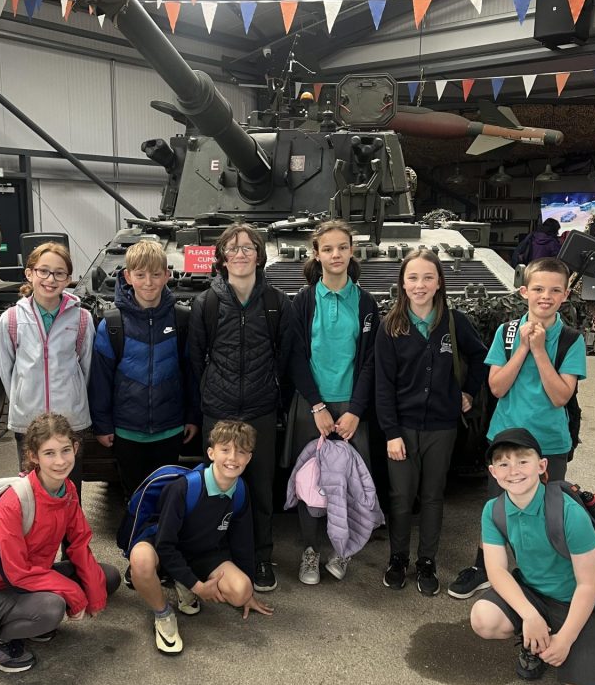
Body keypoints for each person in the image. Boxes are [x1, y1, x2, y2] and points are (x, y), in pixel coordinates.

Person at [471, 428, 595, 685]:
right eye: (503, 463)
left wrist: (567, 639)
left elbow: (588, 585)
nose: (513, 470)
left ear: (542, 465)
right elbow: (496, 570)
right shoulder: (493, 510)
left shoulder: (569, 512)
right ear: (493, 473)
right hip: (533, 593)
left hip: (576, 601)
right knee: (483, 618)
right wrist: (530, 615)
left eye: (523, 461)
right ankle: (537, 641)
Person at [448, 257, 586, 600]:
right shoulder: (507, 333)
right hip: (506, 437)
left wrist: (539, 351)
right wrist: (523, 347)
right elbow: (496, 387)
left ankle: (541, 576)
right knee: (498, 506)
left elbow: (560, 396)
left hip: (548, 442)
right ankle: (484, 566)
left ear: (565, 295)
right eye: (538, 289)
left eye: (554, 290)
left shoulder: (570, 340)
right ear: (524, 292)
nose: (545, 297)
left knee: (548, 510)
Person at [0, 412, 121, 674]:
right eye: (49, 453)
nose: (60, 461)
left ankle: (31, 620)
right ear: (33, 456)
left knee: (108, 577)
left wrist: (94, 594)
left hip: (32, 579)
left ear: (75, 448)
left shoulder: (67, 490)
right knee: (52, 608)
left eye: (65, 450)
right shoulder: (14, 502)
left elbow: (79, 543)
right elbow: (16, 573)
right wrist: (74, 594)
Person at [375, 248, 487, 596]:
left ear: (439, 282)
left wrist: (468, 392)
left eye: (428, 277)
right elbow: (383, 385)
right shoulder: (391, 326)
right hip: (403, 427)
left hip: (442, 425)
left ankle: (427, 561)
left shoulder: (454, 322)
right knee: (400, 496)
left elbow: (481, 356)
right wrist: (391, 432)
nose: (420, 285)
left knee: (433, 495)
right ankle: (398, 558)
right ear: (402, 283)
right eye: (412, 278)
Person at [189, 223, 291, 594]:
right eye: (232, 248)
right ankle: (214, 556)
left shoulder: (277, 302)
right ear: (222, 258)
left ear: (259, 256)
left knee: (261, 489)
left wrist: (273, 394)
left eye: (248, 247)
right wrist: (207, 396)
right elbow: (195, 358)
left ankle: (261, 557)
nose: (240, 254)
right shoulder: (207, 303)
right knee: (217, 488)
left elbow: (285, 356)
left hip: (260, 408)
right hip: (219, 408)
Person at [125, 420, 273, 655]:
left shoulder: (240, 490)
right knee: (141, 560)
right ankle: (163, 614)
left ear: (249, 458)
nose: (232, 458)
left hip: (202, 552)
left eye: (241, 452)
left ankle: (183, 580)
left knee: (240, 590)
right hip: (165, 548)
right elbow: (164, 545)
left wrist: (249, 593)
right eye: (225, 450)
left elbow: (242, 542)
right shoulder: (185, 487)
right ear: (211, 453)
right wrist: (199, 586)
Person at [288, 219, 379, 586]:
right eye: (327, 248)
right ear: (317, 254)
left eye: (342, 247)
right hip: (313, 406)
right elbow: (295, 356)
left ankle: (344, 550)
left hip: (352, 407)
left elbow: (371, 360)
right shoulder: (304, 301)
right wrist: (317, 405)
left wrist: (356, 409)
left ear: (352, 251)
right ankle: (311, 550)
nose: (336, 254)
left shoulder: (366, 302)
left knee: (352, 483)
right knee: (311, 482)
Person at [88, 240, 199, 502]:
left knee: (165, 493)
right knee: (134, 497)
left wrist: (193, 416)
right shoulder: (113, 325)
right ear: (128, 277)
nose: (148, 282)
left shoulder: (182, 320)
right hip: (127, 430)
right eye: (140, 275)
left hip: (169, 428)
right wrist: (102, 424)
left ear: (167, 275)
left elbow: (191, 373)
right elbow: (101, 381)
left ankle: (161, 530)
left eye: (156, 274)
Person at [0, 241, 93, 498]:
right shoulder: (11, 319)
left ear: (68, 279)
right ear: (30, 273)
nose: (51, 279)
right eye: (43, 271)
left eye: (59, 273)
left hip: (70, 420)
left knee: (70, 489)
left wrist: (74, 397)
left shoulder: (81, 318)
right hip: (28, 421)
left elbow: (86, 366)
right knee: (32, 492)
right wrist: (22, 396)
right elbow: (7, 370)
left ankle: (72, 527)